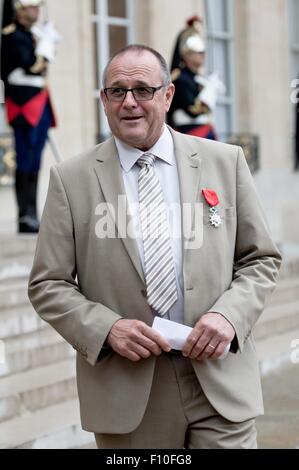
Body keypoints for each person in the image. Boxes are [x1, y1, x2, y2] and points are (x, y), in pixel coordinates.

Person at [28, 44, 281, 449]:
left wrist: (229, 317)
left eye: (143, 90)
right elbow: (48, 283)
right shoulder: (69, 179)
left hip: (219, 381)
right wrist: (106, 329)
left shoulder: (225, 161)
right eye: (117, 91)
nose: (130, 102)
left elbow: (261, 259)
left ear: (167, 95)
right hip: (127, 392)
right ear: (103, 100)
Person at [1, 0, 59, 233]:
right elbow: (32, 65)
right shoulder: (12, 35)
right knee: (25, 160)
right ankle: (24, 216)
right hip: (24, 104)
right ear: (20, 10)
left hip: (40, 101)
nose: (36, 10)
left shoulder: (31, 34)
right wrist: (45, 45)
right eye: (32, 7)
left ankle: (33, 213)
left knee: (35, 161)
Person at [168, 17, 225, 140]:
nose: (203, 55)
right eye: (199, 53)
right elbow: (193, 111)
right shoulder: (181, 79)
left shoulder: (198, 78)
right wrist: (209, 91)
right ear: (187, 54)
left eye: (203, 52)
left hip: (203, 131)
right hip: (188, 132)